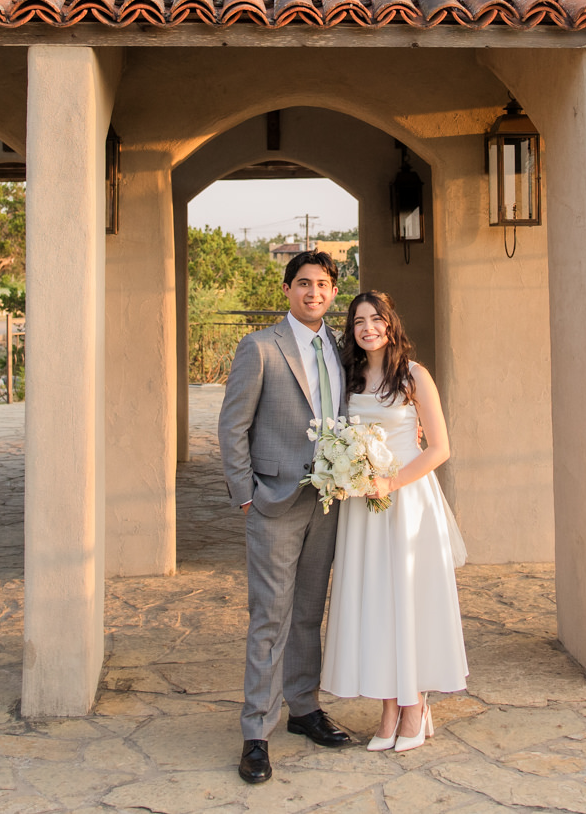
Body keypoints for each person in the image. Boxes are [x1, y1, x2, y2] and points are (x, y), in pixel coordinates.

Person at [217, 250, 356, 784]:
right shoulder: (260, 347)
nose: (313, 292)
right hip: (273, 500)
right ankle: (256, 731)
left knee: (306, 611)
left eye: (322, 284)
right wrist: (244, 492)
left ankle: (303, 708)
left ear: (334, 292)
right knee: (269, 616)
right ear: (287, 290)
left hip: (326, 500)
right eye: (303, 283)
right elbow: (233, 425)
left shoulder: (340, 350)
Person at [320, 289, 468, 752]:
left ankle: (414, 703)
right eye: (359, 320)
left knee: (407, 598)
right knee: (376, 601)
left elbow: (439, 448)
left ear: (390, 323)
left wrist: (392, 483)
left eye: (376, 319)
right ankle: (388, 706)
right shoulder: (348, 377)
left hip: (407, 501)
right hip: (363, 504)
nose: (368, 327)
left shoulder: (414, 376)